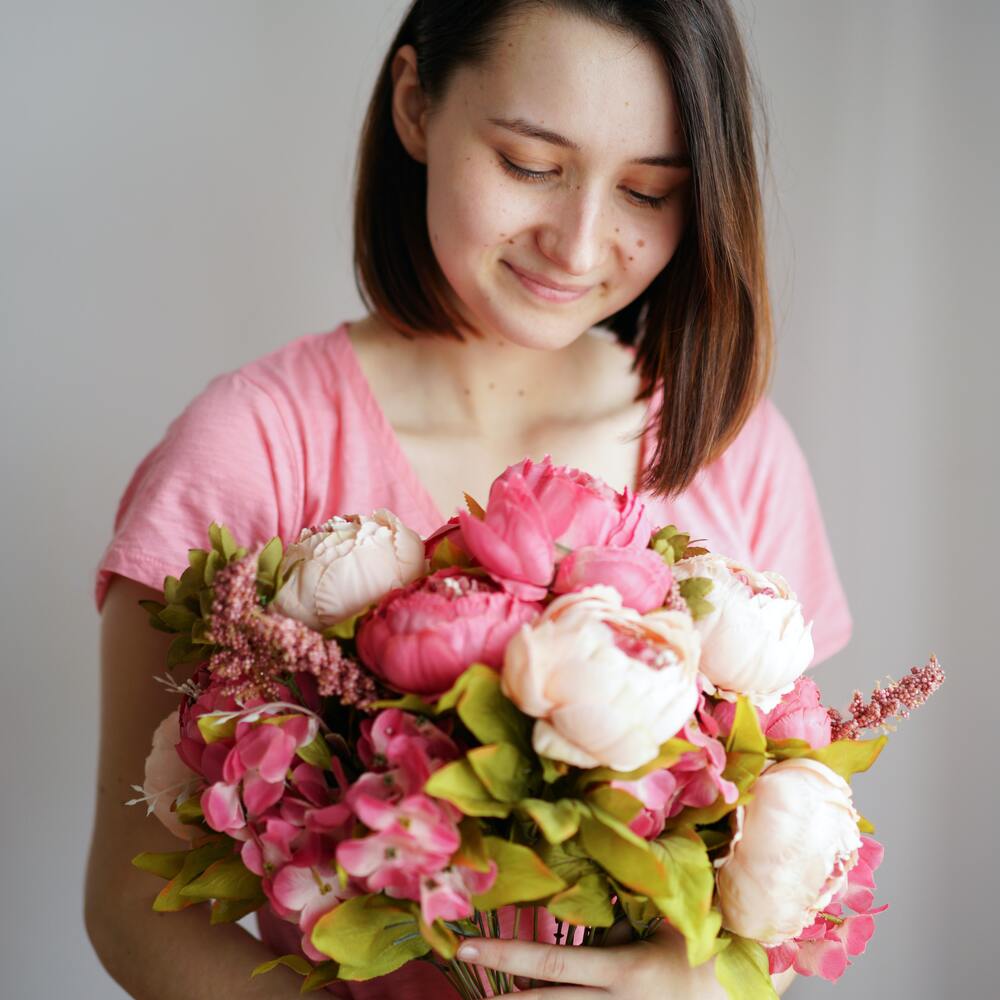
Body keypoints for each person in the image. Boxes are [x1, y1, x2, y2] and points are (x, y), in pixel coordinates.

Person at [85, 1, 852, 996]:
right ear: (415, 105)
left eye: (649, 190)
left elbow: (797, 864)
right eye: (531, 165)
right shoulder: (253, 447)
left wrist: (692, 983)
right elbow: (134, 907)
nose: (578, 246)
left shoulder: (731, 448)